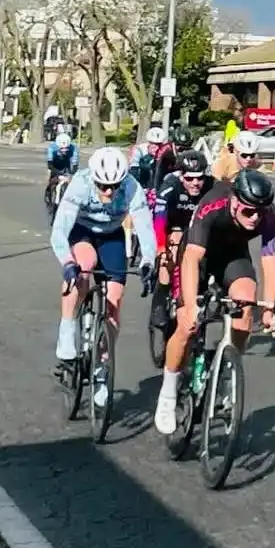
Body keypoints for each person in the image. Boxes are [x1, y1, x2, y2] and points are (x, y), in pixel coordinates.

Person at [155, 168, 275, 435]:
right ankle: (167, 393)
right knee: (187, 326)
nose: (255, 217)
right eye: (248, 211)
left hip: (233, 256)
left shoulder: (268, 215)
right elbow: (191, 259)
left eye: (259, 212)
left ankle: (226, 373)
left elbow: (270, 260)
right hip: (198, 255)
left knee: (246, 309)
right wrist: (189, 306)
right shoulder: (212, 204)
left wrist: (269, 305)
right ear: (234, 202)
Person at [49, 147, 157, 400]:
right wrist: (67, 262)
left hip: (111, 235)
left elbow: (144, 227)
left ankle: (101, 367)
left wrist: (149, 261)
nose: (108, 191)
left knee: (114, 299)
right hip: (82, 231)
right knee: (84, 266)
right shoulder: (81, 184)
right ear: (94, 178)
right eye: (103, 185)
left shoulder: (131, 187)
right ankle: (67, 333)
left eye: (114, 186)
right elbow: (59, 231)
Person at [150, 148, 211, 326]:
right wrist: (161, 247)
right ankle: (161, 297)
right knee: (171, 249)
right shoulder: (170, 185)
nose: (195, 183)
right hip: (172, 225)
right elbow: (159, 220)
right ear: (181, 175)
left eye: (199, 178)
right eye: (189, 178)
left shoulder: (211, 185)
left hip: (198, 228)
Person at [44, 122, 79, 211]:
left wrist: (72, 173)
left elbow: (74, 163)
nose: (64, 151)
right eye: (62, 149)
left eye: (66, 149)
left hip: (66, 163)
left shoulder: (73, 148)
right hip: (55, 163)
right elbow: (50, 163)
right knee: (52, 179)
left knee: (71, 178)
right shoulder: (52, 147)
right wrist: (55, 172)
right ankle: (48, 193)